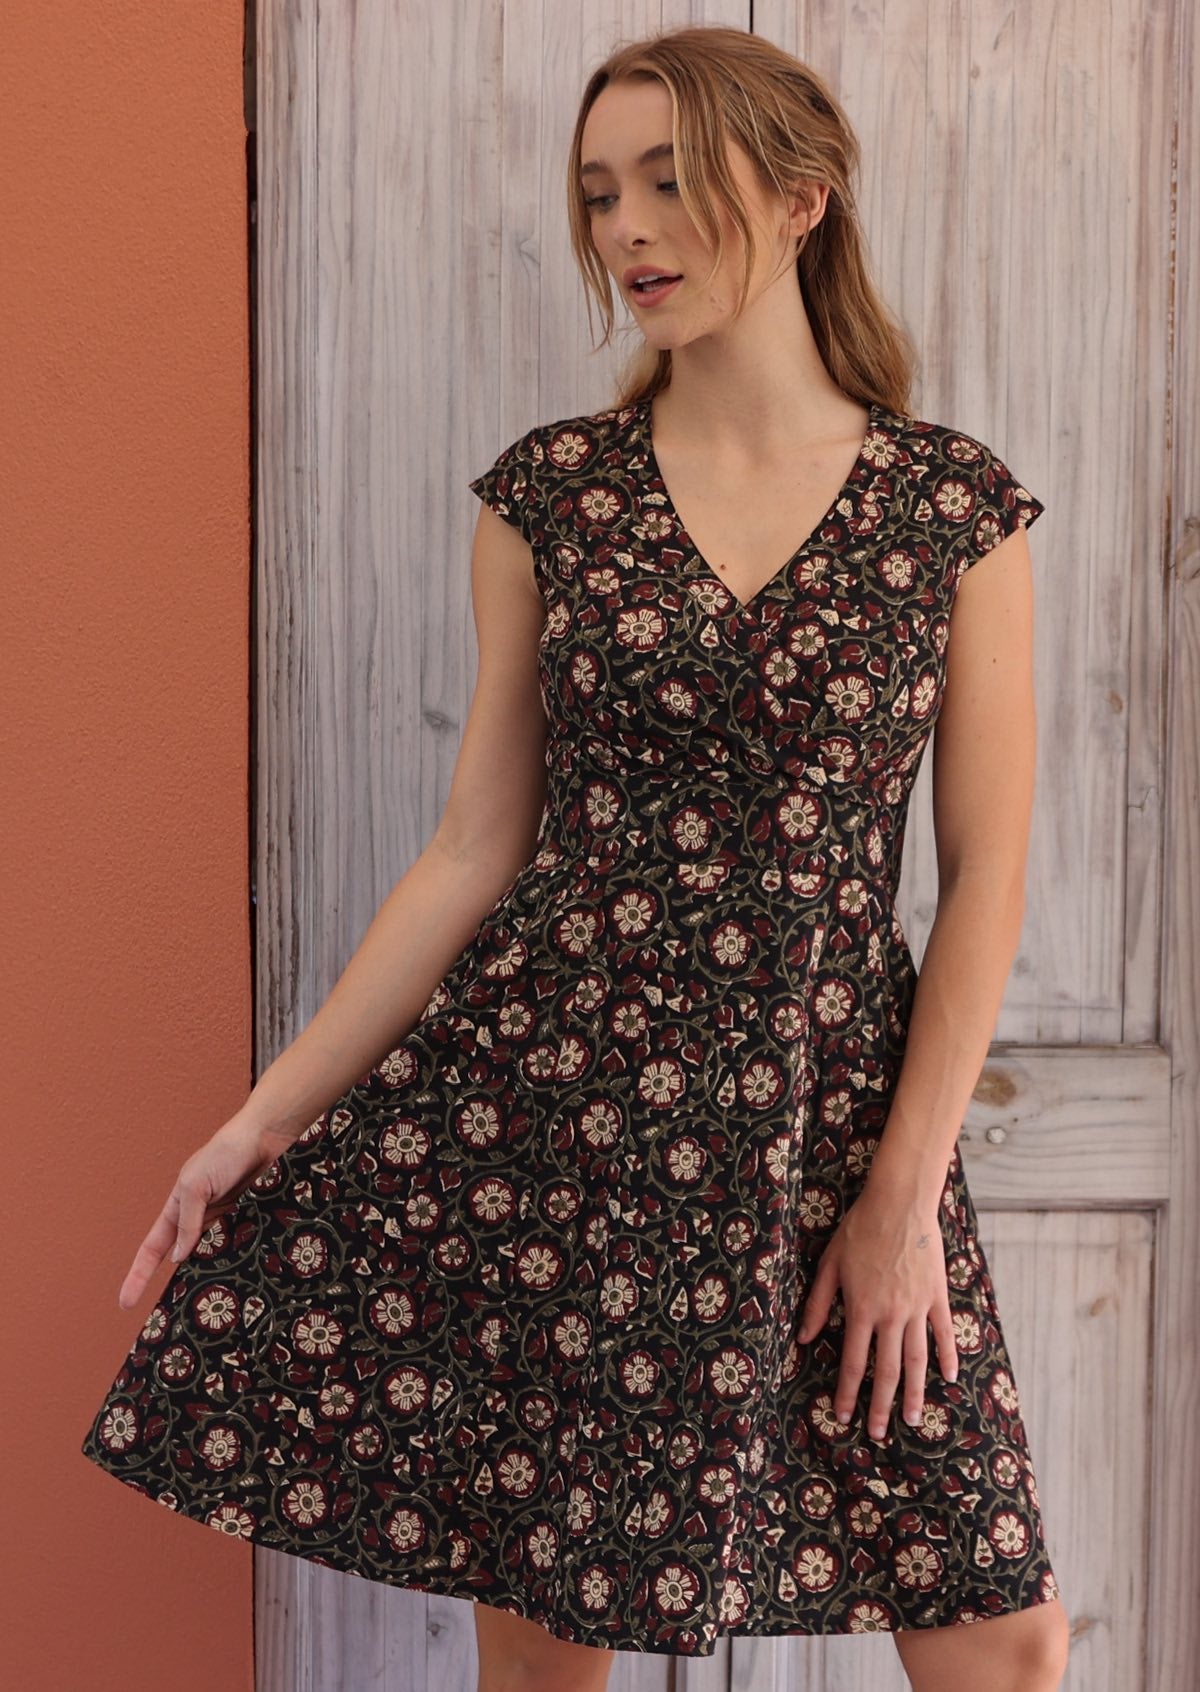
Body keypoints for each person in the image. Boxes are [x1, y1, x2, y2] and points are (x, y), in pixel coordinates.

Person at [81, 22, 1070, 1692]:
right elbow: (474, 852)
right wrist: (263, 1121)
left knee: (1002, 1634)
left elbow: (984, 877)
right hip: (561, 1126)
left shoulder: (947, 511)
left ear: (806, 196)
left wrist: (901, 1200)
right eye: (602, 192)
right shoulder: (556, 497)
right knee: (552, 1654)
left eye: (673, 182)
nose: (627, 229)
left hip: (826, 1129)